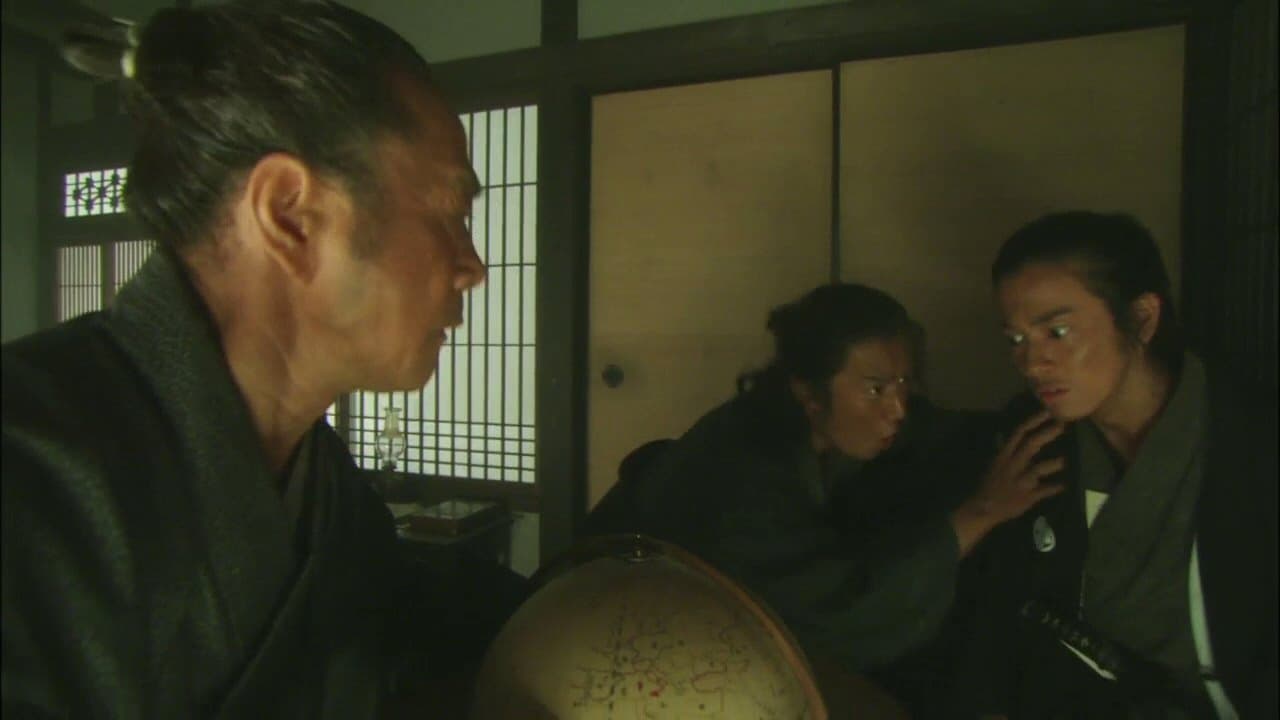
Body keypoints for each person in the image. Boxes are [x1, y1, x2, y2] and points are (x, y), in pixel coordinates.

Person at [1, 2, 525, 716]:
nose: (472, 266)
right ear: (288, 214)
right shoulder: (27, 474)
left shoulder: (326, 491)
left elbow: (411, 627)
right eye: (449, 212)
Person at [583, 283, 1065, 712]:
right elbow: (840, 610)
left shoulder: (823, 419)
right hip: (626, 648)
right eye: (876, 388)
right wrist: (979, 513)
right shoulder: (742, 478)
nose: (897, 408)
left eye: (904, 383)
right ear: (808, 392)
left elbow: (931, 428)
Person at [964, 211, 1277, 718]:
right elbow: (1007, 621)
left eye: (1057, 331)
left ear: (1142, 318)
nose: (1033, 363)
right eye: (1016, 340)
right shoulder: (1034, 442)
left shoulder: (1248, 437)